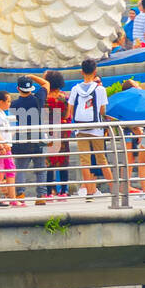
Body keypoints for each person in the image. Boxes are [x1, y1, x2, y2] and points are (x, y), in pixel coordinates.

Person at [67, 58, 110, 199]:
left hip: (80, 128)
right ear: (95, 71)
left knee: (84, 160)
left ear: (81, 72)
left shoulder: (75, 89)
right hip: (96, 128)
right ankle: (114, 188)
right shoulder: (100, 89)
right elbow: (103, 110)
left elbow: (70, 110)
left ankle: (89, 192)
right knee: (102, 159)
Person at [10, 73, 49, 203]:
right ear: (31, 87)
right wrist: (32, 76)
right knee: (40, 169)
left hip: (21, 139)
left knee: (20, 169)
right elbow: (46, 84)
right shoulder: (38, 99)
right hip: (37, 138)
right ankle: (41, 196)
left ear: (18, 88)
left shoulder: (14, 104)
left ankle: (20, 195)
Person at [44, 71, 70, 197]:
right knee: (63, 159)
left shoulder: (44, 97)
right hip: (62, 131)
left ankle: (49, 192)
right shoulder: (64, 97)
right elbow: (67, 115)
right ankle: (64, 190)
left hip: (48, 131)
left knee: (49, 161)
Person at [0, 90, 18, 204]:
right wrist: (2, 145)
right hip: (2, 148)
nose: (9, 104)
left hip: (7, 146)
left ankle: (11, 198)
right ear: (0, 102)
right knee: (3, 172)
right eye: (8, 101)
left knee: (8, 171)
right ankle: (8, 198)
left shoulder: (3, 113)